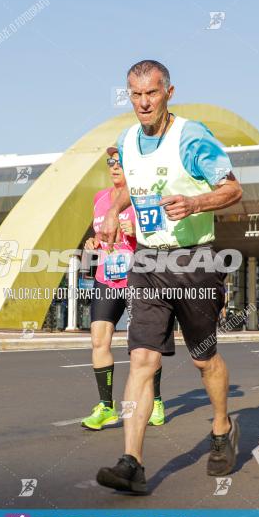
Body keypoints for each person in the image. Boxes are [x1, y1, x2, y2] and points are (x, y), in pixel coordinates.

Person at [95, 60, 242, 494]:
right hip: (148, 262)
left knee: (203, 358)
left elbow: (233, 188)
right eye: (135, 94)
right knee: (142, 358)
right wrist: (113, 211)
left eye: (152, 94)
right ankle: (132, 463)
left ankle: (220, 428)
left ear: (168, 92)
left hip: (193, 261)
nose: (143, 103)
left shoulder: (191, 137)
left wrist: (195, 204)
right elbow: (133, 185)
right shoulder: (126, 139)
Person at [81, 147, 166, 430]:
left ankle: (154, 401)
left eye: (120, 162)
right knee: (98, 340)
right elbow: (100, 231)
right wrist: (93, 242)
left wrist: (137, 232)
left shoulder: (143, 196)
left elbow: (160, 236)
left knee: (143, 346)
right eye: (110, 162)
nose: (114, 166)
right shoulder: (99, 198)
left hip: (137, 277)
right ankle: (106, 407)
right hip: (106, 277)